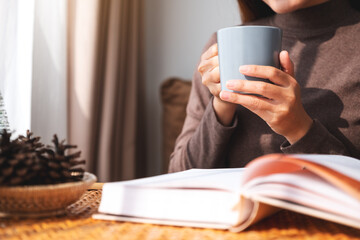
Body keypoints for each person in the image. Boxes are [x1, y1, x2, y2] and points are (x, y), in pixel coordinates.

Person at [168, 0, 360, 172]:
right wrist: (223, 103)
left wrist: (298, 129)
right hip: (235, 210)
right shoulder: (222, 46)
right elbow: (178, 175)